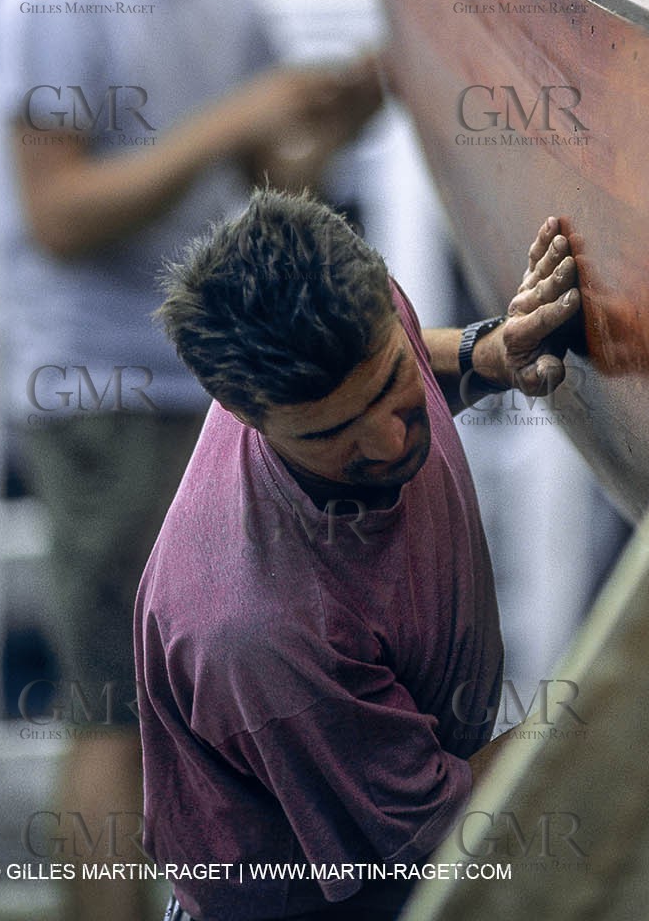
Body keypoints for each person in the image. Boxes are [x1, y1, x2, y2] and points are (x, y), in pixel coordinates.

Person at [0, 0, 382, 921]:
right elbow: (57, 211)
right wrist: (229, 118)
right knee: (117, 700)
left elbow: (277, 184)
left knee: (219, 698)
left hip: (222, 389)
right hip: (101, 393)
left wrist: (351, 110)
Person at [136, 190, 583, 921]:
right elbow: (448, 833)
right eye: (332, 433)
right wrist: (637, 675)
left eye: (389, 386)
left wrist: (491, 352)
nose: (388, 442)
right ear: (244, 414)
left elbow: (406, 350)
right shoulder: (260, 633)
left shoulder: (348, 316)